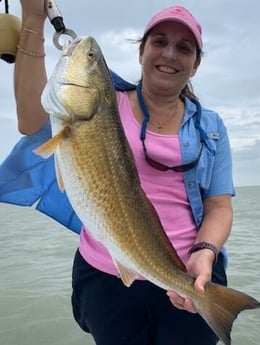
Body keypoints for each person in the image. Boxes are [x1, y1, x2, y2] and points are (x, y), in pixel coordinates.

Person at [9, 1, 235, 344]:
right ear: (141, 51)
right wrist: (33, 19)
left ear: (196, 64)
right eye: (159, 42)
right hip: (105, 275)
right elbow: (30, 121)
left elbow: (219, 205)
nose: (170, 54)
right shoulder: (103, 103)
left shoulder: (211, 126)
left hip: (191, 272)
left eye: (184, 48)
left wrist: (205, 253)